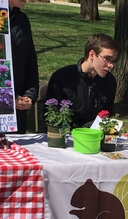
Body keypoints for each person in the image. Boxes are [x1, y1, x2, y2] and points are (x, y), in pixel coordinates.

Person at [45, 33, 121, 129]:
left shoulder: (109, 81)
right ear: (92, 54)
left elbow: (107, 113)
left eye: (113, 60)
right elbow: (51, 116)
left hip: (93, 136)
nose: (111, 65)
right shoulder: (62, 77)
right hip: (65, 135)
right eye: (107, 59)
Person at [10, 0, 39, 133]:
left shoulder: (22, 19)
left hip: (17, 111)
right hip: (7, 102)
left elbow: (30, 60)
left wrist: (30, 94)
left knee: (15, 152)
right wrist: (8, 97)